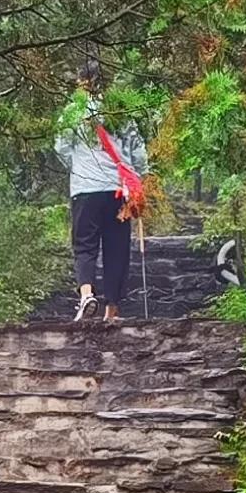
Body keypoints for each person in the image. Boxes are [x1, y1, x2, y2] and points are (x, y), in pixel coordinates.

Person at [59, 92, 147, 321]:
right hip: (117, 191)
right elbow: (138, 153)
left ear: (80, 83)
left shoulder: (72, 112)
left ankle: (87, 294)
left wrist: (79, 167)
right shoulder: (121, 110)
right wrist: (137, 177)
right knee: (116, 249)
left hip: (85, 189)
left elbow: (61, 147)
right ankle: (112, 310)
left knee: (84, 246)